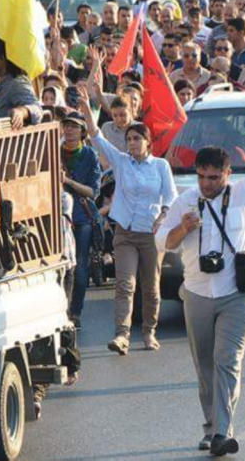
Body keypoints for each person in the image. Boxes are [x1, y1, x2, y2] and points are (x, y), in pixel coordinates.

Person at [156, 98, 245, 456]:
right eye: (201, 176)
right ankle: (210, 425)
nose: (207, 184)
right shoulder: (185, 201)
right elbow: (162, 242)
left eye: (214, 178)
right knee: (204, 367)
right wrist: (182, 229)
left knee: (226, 360)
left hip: (237, 294)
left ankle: (223, 433)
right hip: (196, 293)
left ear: (228, 175)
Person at [77, 87, 177, 355]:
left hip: (150, 235)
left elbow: (170, 198)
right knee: (124, 285)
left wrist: (163, 217)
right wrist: (88, 109)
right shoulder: (121, 162)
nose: (131, 143)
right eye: (129, 139)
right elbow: (97, 138)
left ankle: (148, 332)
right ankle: (122, 335)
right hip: (124, 234)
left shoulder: (160, 167)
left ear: (147, 142)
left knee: (151, 288)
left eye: (136, 139)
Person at [59, 110, 102, 328]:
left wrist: (68, 181)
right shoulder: (54, 151)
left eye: (74, 126)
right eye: (67, 125)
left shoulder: (90, 156)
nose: (70, 130)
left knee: (80, 265)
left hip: (82, 216)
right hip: (60, 216)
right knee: (61, 265)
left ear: (82, 131)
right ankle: (61, 309)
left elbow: (93, 192)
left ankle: (75, 311)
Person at [0, 36, 42, 129]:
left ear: (2, 58)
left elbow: (36, 109)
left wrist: (22, 112)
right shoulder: (0, 87)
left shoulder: (17, 84)